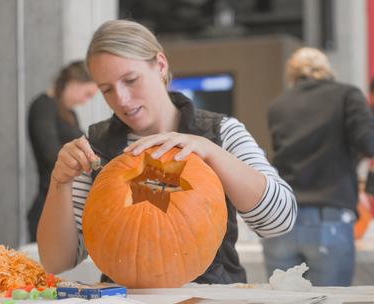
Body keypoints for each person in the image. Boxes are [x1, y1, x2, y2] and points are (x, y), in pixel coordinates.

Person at [36, 19, 297, 284]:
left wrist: (212, 153)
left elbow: (280, 221)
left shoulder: (221, 132)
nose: (122, 100)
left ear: (160, 65)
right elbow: (57, 261)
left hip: (212, 296)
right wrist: (60, 183)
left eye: (130, 80)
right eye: (107, 90)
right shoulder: (95, 147)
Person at [261, 47, 374, 286]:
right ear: (327, 70)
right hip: (328, 220)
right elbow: (368, 141)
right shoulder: (346, 95)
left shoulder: (277, 106)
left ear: (291, 76)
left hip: (279, 219)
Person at [27, 61, 97, 242]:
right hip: (48, 205)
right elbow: (50, 155)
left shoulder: (69, 113)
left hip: (68, 207)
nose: (86, 100)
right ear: (74, 81)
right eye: (87, 94)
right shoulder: (43, 106)